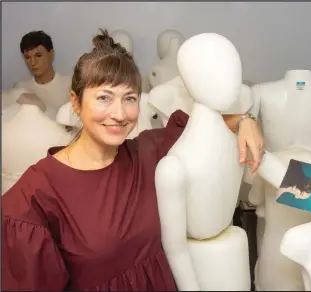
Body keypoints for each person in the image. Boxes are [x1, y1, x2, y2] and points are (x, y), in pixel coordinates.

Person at [1, 29, 264, 291]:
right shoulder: (35, 195)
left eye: (129, 99)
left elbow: (208, 129)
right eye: (104, 98)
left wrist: (246, 120)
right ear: (76, 102)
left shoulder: (149, 150)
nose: (119, 114)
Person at [14, 30, 71, 115]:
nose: (33, 62)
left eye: (38, 56)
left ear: (51, 54)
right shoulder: (21, 89)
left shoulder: (69, 84)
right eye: (27, 57)